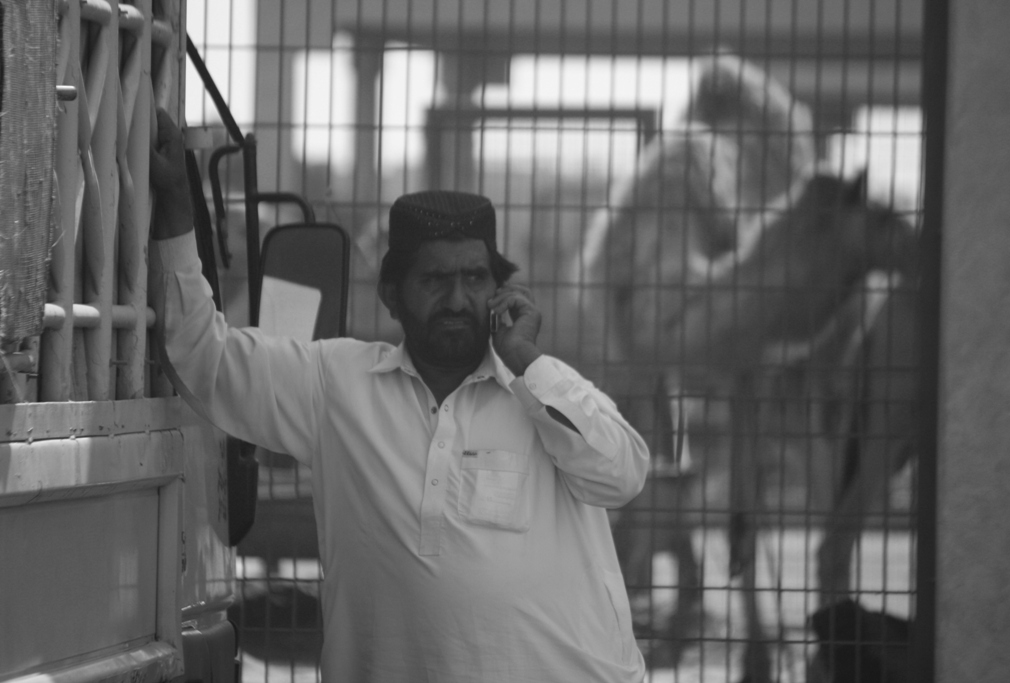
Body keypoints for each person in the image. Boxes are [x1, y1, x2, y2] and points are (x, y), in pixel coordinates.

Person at [150, 109, 649, 682]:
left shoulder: (541, 388)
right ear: (392, 293)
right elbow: (200, 355)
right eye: (434, 281)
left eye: (476, 279)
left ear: (501, 289)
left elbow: (623, 475)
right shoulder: (336, 386)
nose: (458, 299)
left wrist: (528, 363)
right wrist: (176, 211)